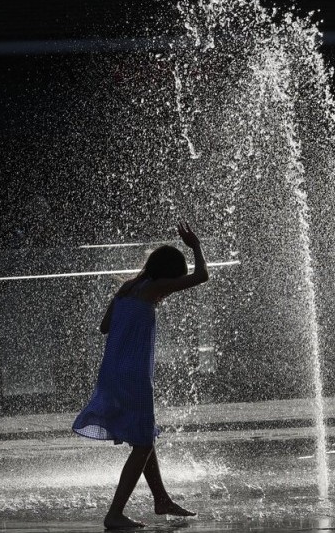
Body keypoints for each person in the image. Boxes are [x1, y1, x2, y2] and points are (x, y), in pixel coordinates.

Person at [72, 222, 209, 529]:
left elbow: (104, 327)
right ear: (167, 274)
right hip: (133, 375)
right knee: (144, 443)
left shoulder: (126, 289)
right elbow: (202, 276)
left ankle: (161, 499)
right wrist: (196, 246)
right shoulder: (152, 289)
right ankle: (115, 513)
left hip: (112, 371)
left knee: (143, 438)